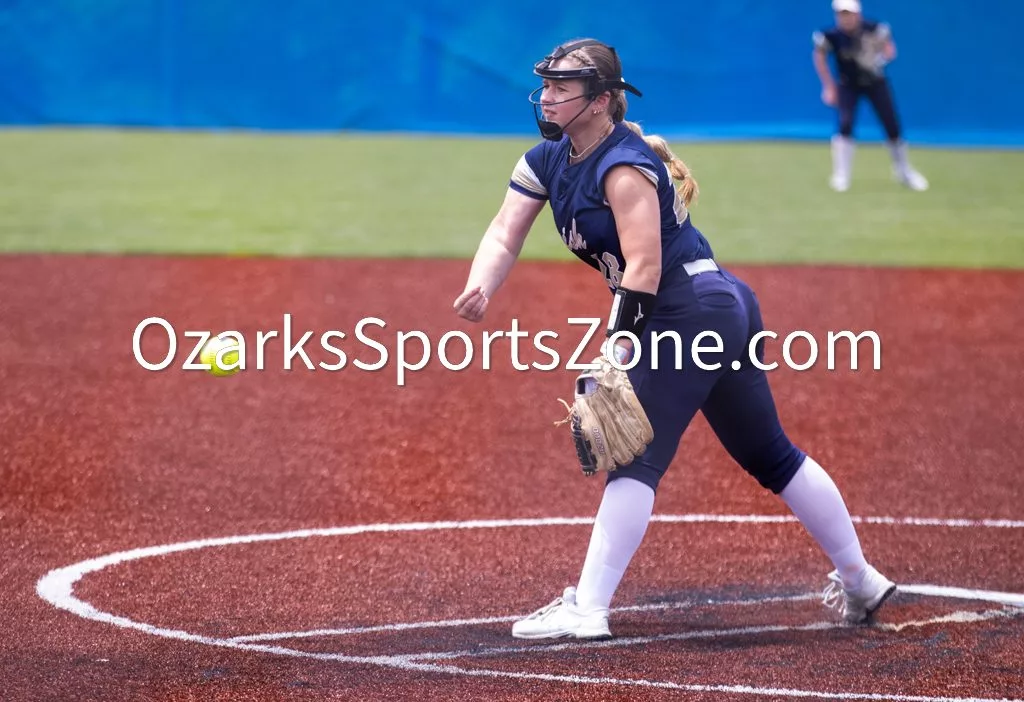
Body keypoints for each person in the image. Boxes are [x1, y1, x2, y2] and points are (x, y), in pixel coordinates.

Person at [453, 38, 897, 640]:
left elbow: (643, 267)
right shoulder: (546, 159)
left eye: (562, 87)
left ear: (600, 100)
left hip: (690, 312)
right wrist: (481, 285)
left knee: (635, 459)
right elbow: (506, 231)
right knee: (770, 455)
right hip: (714, 306)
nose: (547, 97)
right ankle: (861, 579)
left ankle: (588, 608)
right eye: (547, 85)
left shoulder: (623, 166)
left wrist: (618, 348)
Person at [812, 0, 929, 192]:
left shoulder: (874, 29)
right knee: (845, 124)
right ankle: (841, 175)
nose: (845, 18)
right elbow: (819, 57)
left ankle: (904, 171)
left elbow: (889, 50)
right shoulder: (831, 36)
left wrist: (878, 60)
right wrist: (829, 86)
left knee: (892, 125)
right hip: (848, 84)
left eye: (849, 13)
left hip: (875, 82)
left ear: (858, 14)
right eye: (841, 14)